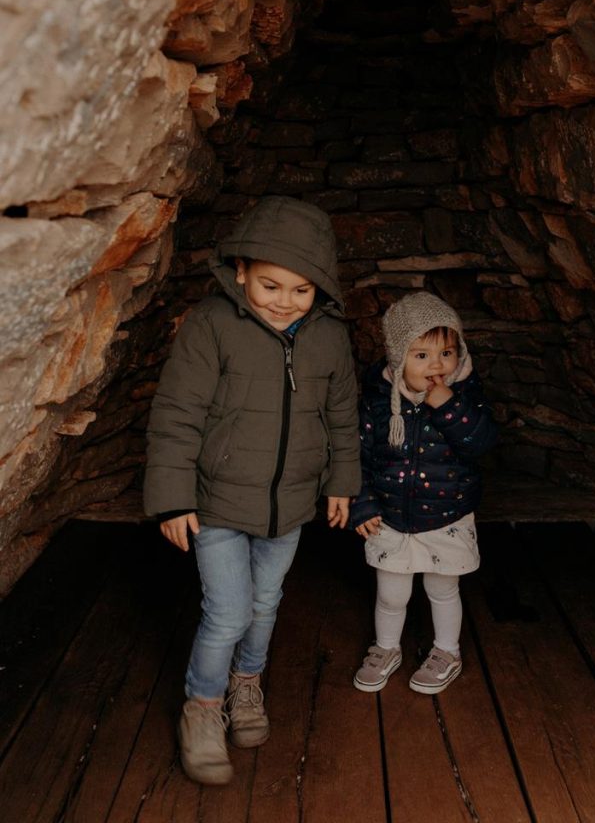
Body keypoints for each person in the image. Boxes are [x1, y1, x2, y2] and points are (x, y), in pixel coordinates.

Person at [144, 196, 360, 785]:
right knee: (229, 610)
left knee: (265, 605)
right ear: (240, 270)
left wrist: (342, 482)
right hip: (215, 501)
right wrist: (172, 497)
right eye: (270, 285)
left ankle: (247, 684)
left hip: (289, 505)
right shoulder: (212, 326)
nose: (284, 302)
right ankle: (204, 706)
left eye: (301, 290)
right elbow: (177, 415)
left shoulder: (330, 338)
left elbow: (342, 416)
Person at [350, 290, 497, 695]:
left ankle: (447, 651)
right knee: (391, 592)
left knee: (441, 588)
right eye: (421, 356)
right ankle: (385, 648)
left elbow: (481, 442)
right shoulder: (381, 399)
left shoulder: (464, 393)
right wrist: (362, 504)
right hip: (390, 514)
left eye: (447, 353)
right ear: (398, 359)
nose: (437, 366)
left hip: (446, 515)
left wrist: (447, 404)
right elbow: (359, 452)